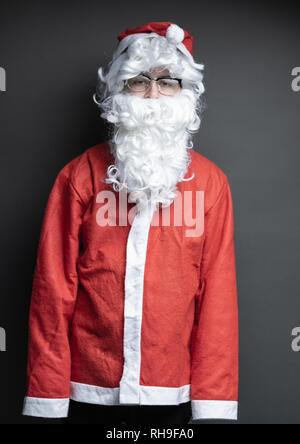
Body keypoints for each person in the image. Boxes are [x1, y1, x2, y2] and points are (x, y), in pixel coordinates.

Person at [22, 21, 239, 424]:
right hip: (88, 391)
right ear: (119, 92)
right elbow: (53, 292)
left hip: (172, 394)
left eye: (167, 83)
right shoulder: (80, 175)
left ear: (185, 93)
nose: (153, 96)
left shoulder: (211, 183)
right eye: (140, 82)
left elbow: (218, 301)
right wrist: (48, 398)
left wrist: (214, 405)